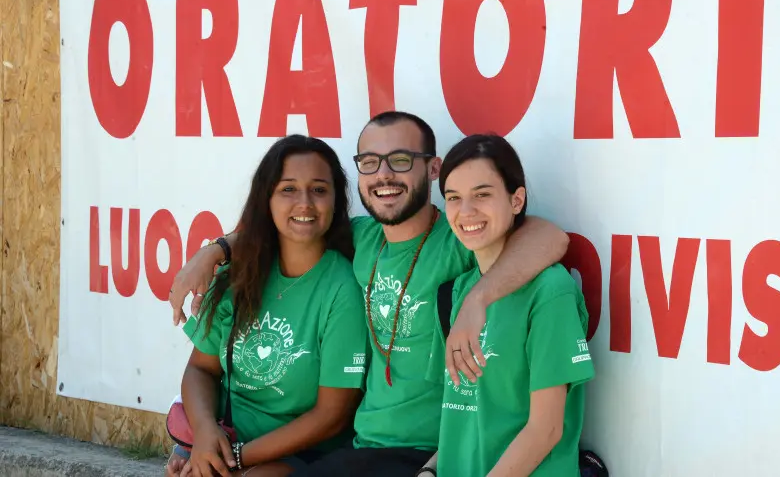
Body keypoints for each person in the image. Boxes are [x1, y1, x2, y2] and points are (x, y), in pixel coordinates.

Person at [168, 111, 570, 475]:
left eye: (400, 160)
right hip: (364, 448)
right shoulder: (360, 238)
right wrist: (216, 250)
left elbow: (549, 237)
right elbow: (288, 224)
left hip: (427, 449)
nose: (384, 175)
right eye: (370, 163)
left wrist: (478, 299)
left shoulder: (459, 237)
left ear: (433, 168)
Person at [165, 135, 368, 477]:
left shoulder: (342, 287)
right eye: (288, 189)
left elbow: (331, 416)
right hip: (227, 436)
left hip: (299, 451)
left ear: (336, 199)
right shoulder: (238, 273)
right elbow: (201, 369)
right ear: (267, 198)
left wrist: (233, 459)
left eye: (319, 189)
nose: (304, 203)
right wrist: (204, 436)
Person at [419, 134, 595, 476]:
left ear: (516, 200)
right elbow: (463, 415)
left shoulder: (550, 291)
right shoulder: (455, 293)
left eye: (482, 194)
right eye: (453, 197)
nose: (466, 211)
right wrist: (428, 471)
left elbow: (546, 430)